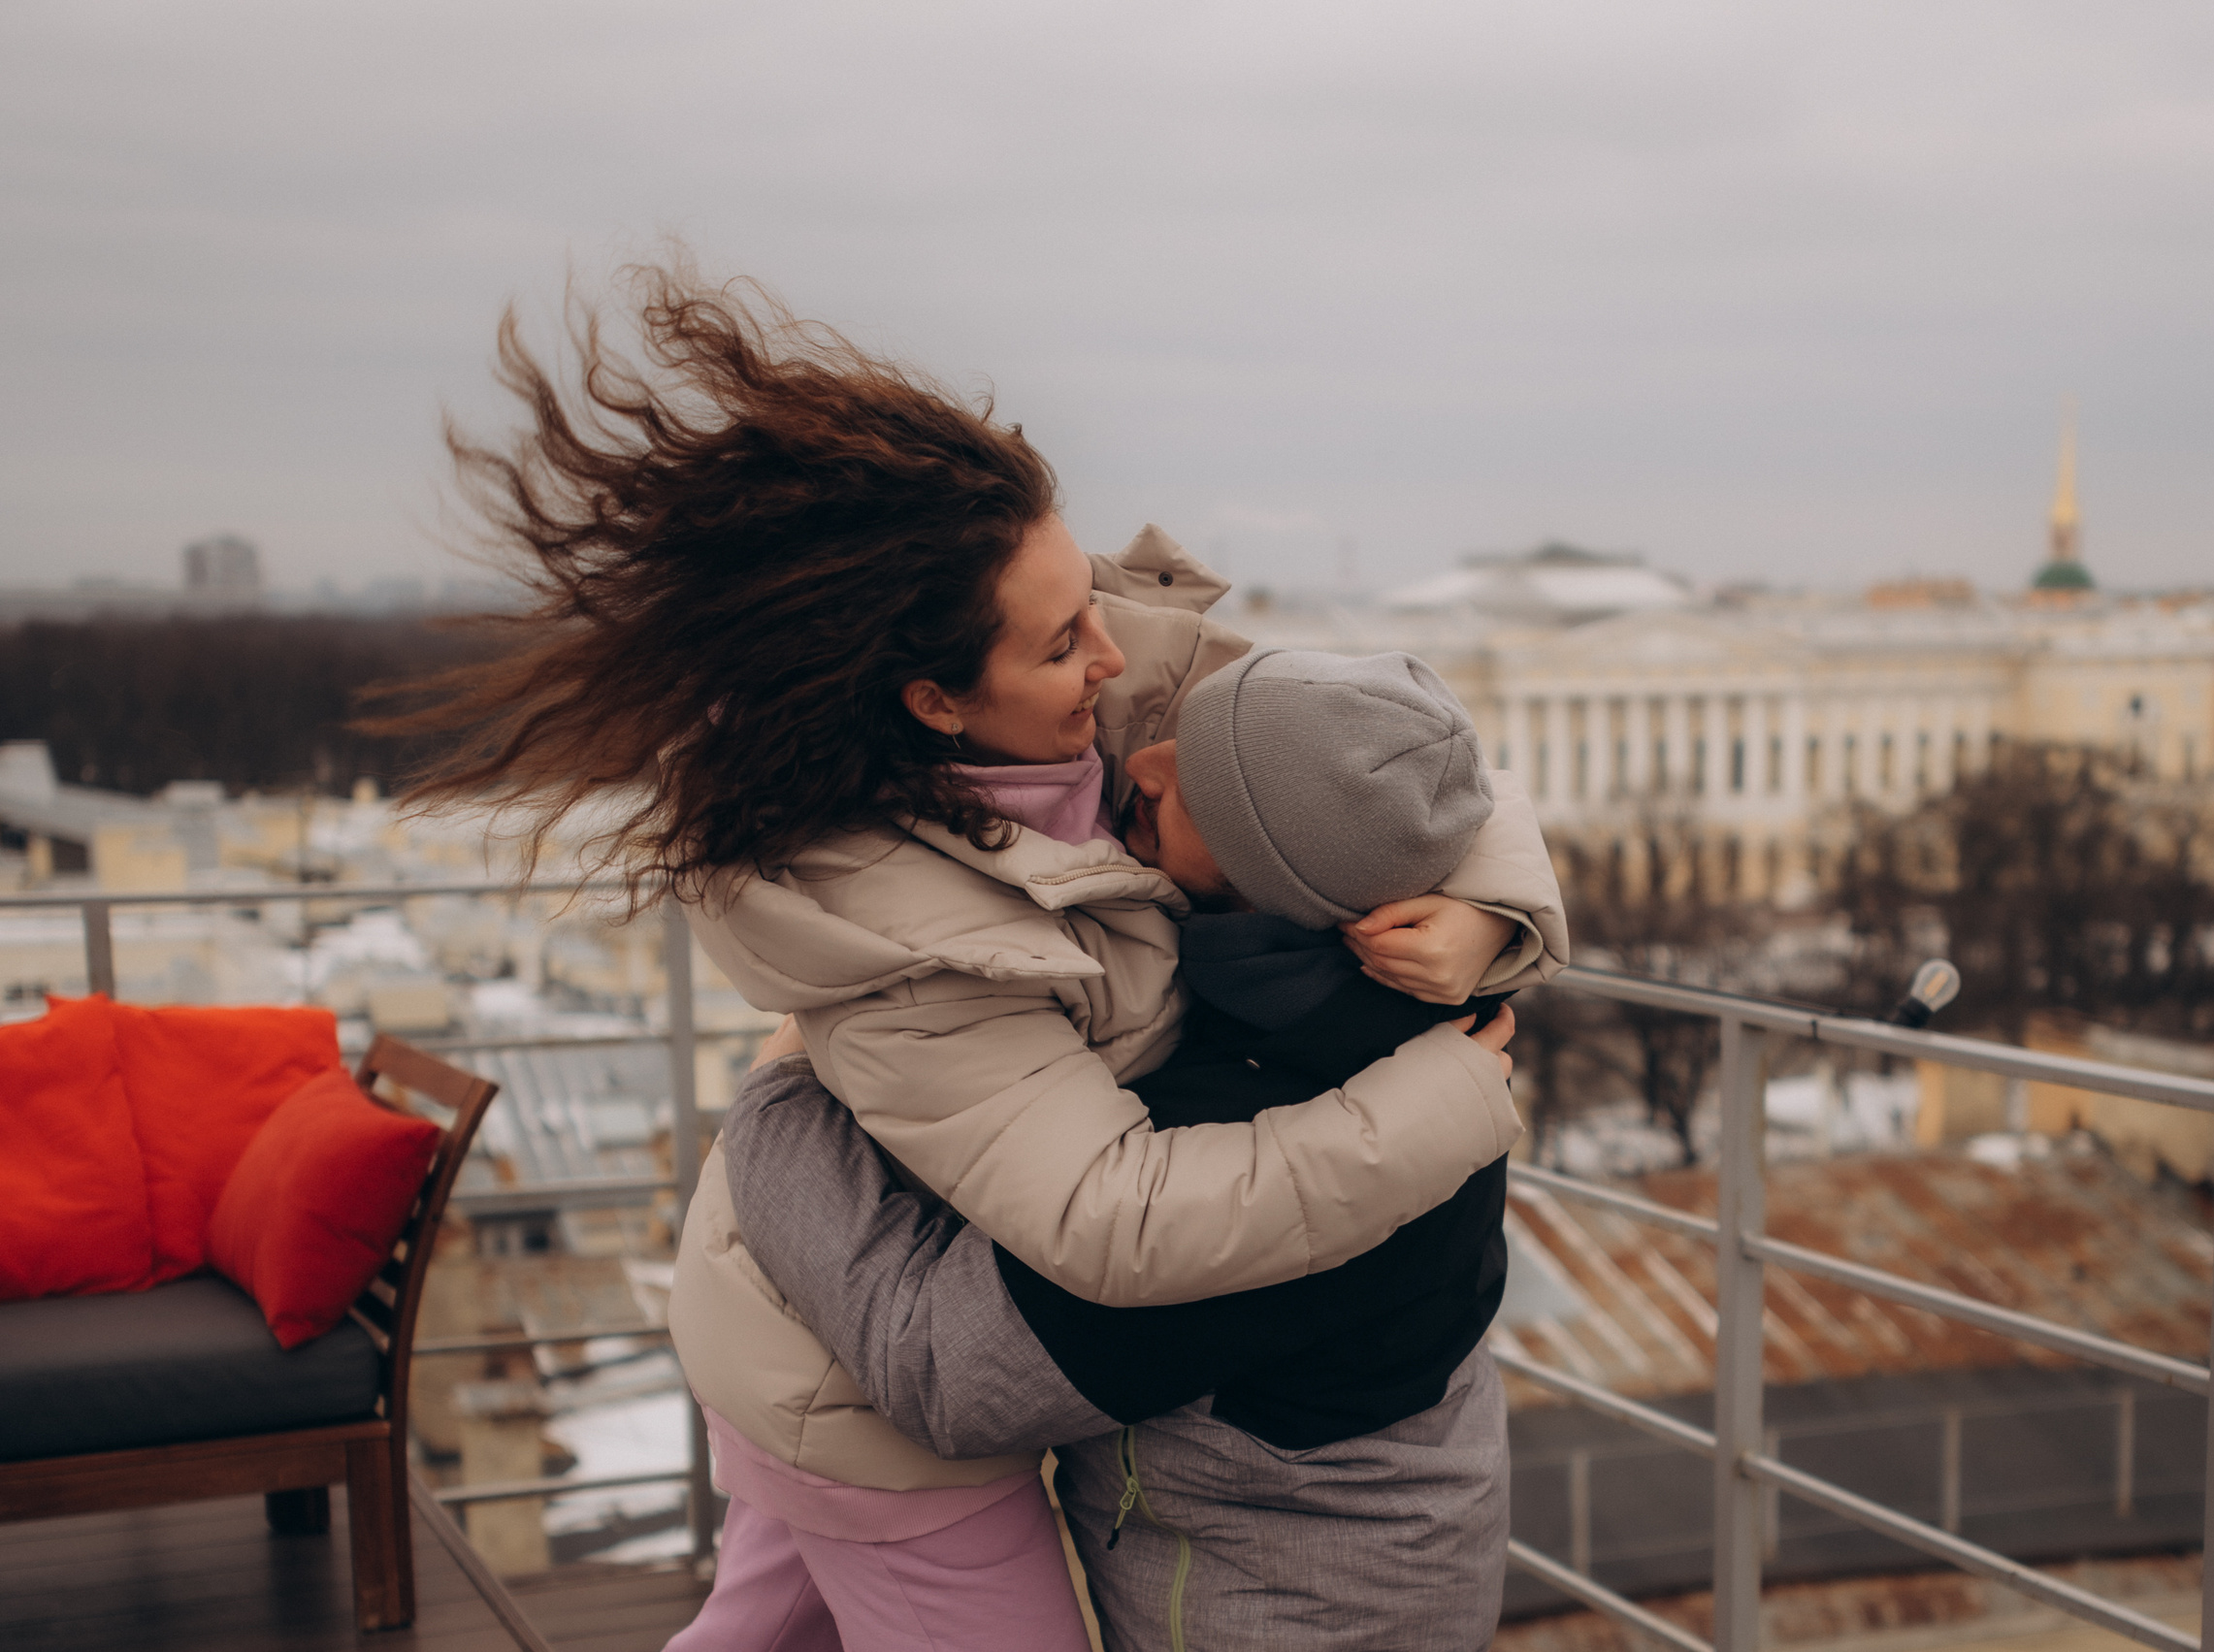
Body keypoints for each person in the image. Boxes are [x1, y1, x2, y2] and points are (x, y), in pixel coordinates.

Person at [377, 264, 1562, 1650]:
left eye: (1093, 606)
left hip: (925, 1282)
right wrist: (1446, 1101)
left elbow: (1390, 766)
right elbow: (1111, 1219)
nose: (1121, 667)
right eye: (1065, 642)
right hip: (850, 1377)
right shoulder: (886, 924)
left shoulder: (1098, 697)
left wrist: (1490, 918)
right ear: (935, 697)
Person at [727, 646, 1564, 1649]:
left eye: (1195, 791)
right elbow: (1420, 779)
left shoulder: (1276, 1132)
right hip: (1367, 1556)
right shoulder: (1349, 986)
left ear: (1269, 883)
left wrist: (782, 1092)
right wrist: (1493, 906)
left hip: (1291, 1610)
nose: (1145, 761)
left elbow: (947, 1374)